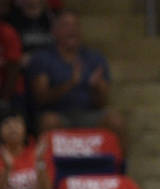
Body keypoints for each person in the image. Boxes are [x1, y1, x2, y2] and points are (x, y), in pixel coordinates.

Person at [26, 10, 123, 139]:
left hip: (88, 113)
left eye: (75, 25)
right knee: (48, 122)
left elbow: (102, 102)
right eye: (66, 25)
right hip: (58, 114)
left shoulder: (95, 58)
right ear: (54, 31)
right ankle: (42, 159)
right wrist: (70, 84)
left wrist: (97, 87)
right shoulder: (42, 58)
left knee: (115, 120)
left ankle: (121, 160)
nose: (72, 30)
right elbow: (40, 98)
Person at [0, 111, 54, 189]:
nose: (12, 127)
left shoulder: (38, 153)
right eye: (7, 123)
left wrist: (39, 161)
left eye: (17, 123)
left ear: (25, 128)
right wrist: (7, 169)